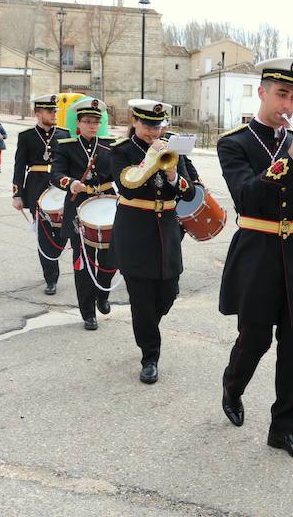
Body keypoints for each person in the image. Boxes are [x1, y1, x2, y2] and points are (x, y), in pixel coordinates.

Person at [217, 57, 293, 461]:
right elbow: (248, 195)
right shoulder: (235, 143)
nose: (288, 103)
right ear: (262, 92)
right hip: (258, 252)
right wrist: (292, 160)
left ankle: (284, 428)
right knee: (257, 337)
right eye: (281, 94)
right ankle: (233, 382)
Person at [111, 99, 195, 384]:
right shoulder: (120, 151)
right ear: (134, 120)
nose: (152, 131)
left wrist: (173, 175)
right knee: (142, 300)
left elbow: (189, 189)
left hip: (167, 231)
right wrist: (150, 159)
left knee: (168, 295)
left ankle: (147, 329)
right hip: (135, 231)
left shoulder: (172, 149)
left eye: (157, 126)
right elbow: (127, 188)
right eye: (147, 125)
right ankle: (150, 356)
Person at [52, 98, 117, 331]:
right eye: (87, 121)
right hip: (79, 207)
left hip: (107, 206)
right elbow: (55, 173)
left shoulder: (110, 144)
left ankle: (103, 292)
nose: (92, 125)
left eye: (96, 121)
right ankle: (88, 312)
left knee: (112, 259)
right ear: (78, 123)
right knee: (84, 262)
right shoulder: (66, 145)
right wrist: (69, 182)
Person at [11, 94, 71, 295]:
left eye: (55, 111)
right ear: (38, 114)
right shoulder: (26, 136)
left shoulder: (64, 134)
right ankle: (51, 278)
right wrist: (17, 194)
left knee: (63, 233)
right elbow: (19, 167)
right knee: (44, 235)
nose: (54, 114)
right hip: (36, 188)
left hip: (60, 188)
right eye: (50, 111)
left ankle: (53, 256)